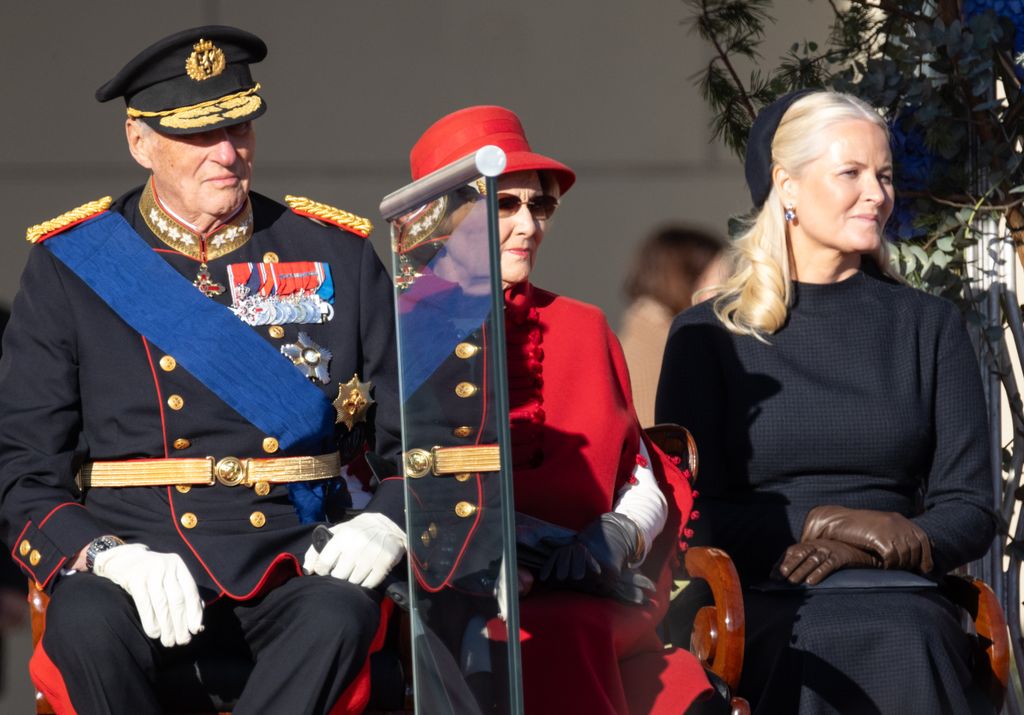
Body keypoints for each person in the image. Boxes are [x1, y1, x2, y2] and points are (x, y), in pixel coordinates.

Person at [0, 26, 406, 715]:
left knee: (339, 614)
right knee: (86, 620)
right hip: (137, 568)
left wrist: (388, 522)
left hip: (291, 563)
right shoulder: (71, 265)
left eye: (240, 127)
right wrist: (104, 554)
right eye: (198, 135)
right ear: (139, 141)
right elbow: (21, 469)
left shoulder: (334, 251)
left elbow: (414, 439)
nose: (227, 153)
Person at [655, 90, 996, 713]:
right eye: (851, 173)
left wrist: (866, 541)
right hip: (765, 592)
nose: (877, 194)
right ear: (786, 187)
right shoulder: (709, 335)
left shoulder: (930, 325)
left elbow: (970, 507)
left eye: (885, 175)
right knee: (808, 643)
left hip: (900, 592)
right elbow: (690, 509)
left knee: (909, 637)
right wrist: (812, 536)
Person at [389, 105, 716, 715]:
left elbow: (639, 475)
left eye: (537, 206)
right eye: (503, 205)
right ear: (440, 219)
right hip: (453, 591)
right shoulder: (399, 330)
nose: (527, 225)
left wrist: (616, 536)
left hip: (590, 588)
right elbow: (382, 475)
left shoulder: (584, 325)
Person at [619, 225, 725, 427]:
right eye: (722, 280)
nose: (729, 293)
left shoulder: (634, 343)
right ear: (688, 281)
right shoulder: (672, 353)